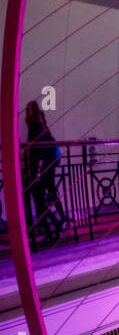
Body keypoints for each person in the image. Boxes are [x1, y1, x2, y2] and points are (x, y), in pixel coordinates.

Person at [23, 101, 62, 246]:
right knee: (41, 203)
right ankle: (55, 226)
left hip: (39, 170)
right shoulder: (40, 126)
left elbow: (39, 150)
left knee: (40, 204)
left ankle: (53, 230)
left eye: (28, 110)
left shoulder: (35, 126)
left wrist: (38, 171)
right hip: (42, 169)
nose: (26, 113)